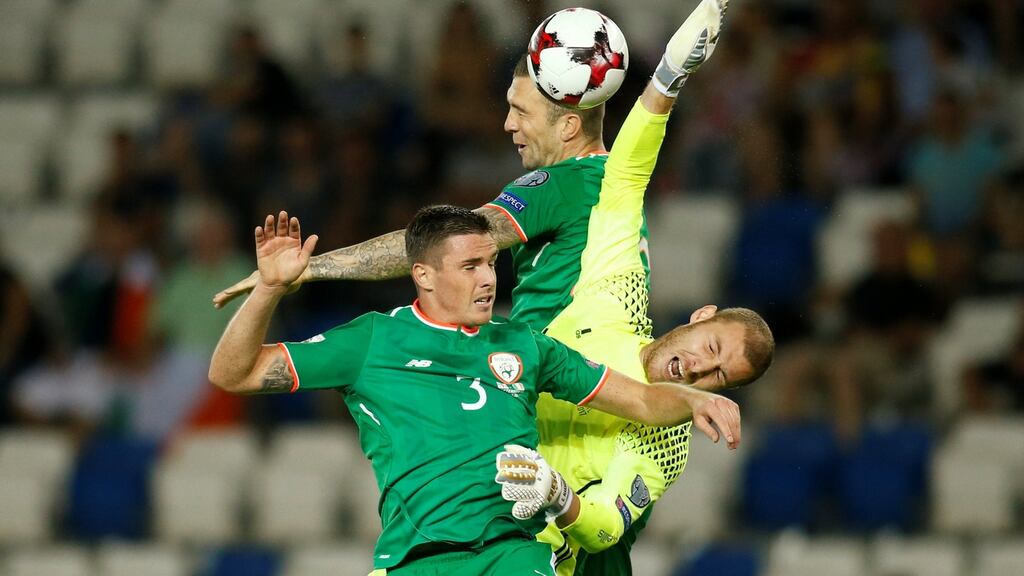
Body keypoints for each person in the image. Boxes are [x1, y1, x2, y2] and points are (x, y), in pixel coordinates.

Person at [211, 2, 746, 573]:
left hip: (559, 454)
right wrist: (666, 79)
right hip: (558, 444)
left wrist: (311, 269)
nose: (508, 125)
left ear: (567, 124)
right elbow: (638, 149)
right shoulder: (612, 194)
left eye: (519, 111)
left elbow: (440, 244)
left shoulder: (558, 185)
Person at [208, 207, 741, 575]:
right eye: (469, 267)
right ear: (424, 275)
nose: (488, 279)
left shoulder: (525, 346)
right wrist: (270, 290)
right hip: (414, 557)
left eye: (490, 263)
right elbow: (235, 374)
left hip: (512, 554)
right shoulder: (374, 340)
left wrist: (698, 399)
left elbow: (644, 401)